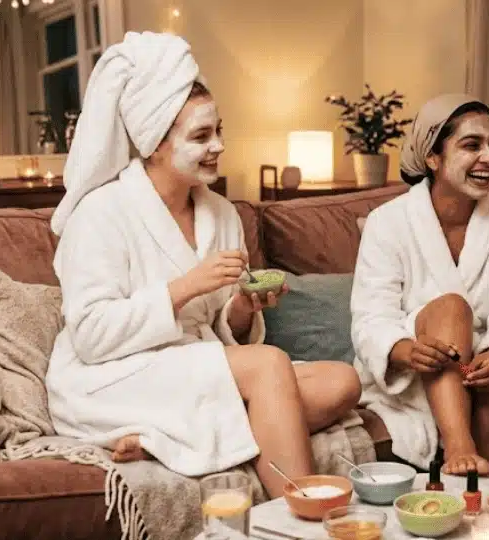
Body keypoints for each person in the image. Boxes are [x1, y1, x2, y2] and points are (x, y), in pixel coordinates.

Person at [44, 31, 360, 498]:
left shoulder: (220, 213)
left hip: (191, 369)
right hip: (115, 377)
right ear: (154, 145)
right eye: (200, 136)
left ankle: (170, 439)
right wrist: (183, 288)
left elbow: (222, 329)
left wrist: (245, 308)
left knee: (342, 381)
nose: (218, 146)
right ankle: (304, 514)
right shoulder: (101, 213)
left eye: (219, 131)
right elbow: (90, 336)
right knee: (271, 367)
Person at [350, 94, 489, 476]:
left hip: (483, 367)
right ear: (433, 157)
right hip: (416, 369)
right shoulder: (387, 222)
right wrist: (405, 350)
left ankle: (484, 504)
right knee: (451, 307)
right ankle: (459, 446)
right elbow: (371, 317)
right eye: (472, 145)